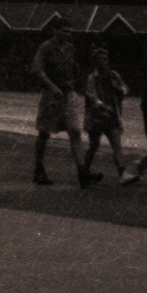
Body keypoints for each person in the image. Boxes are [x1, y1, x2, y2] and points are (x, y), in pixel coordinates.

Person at [29, 25, 93, 188]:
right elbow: (37, 69)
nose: (68, 34)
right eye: (64, 30)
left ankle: (82, 173)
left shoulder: (70, 48)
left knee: (75, 131)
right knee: (44, 132)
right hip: (52, 95)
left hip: (69, 93)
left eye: (70, 31)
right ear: (55, 31)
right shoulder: (46, 47)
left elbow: (74, 70)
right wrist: (52, 87)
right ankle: (39, 168)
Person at [82, 47, 136, 185]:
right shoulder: (92, 78)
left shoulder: (113, 75)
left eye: (105, 59)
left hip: (111, 117)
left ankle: (122, 173)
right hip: (97, 117)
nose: (102, 61)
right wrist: (104, 106)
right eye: (99, 59)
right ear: (94, 61)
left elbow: (124, 88)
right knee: (94, 145)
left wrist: (121, 91)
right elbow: (91, 96)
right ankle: (84, 170)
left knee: (116, 145)